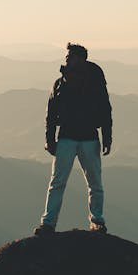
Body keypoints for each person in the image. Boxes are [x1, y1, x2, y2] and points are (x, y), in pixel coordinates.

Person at [34, 43, 112, 235]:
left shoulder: (94, 81)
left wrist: (107, 137)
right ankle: (49, 223)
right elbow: (51, 113)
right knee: (61, 182)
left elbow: (105, 108)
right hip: (71, 137)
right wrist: (49, 139)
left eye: (70, 56)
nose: (66, 59)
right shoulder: (60, 83)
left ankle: (96, 222)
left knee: (91, 183)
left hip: (85, 138)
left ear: (81, 58)